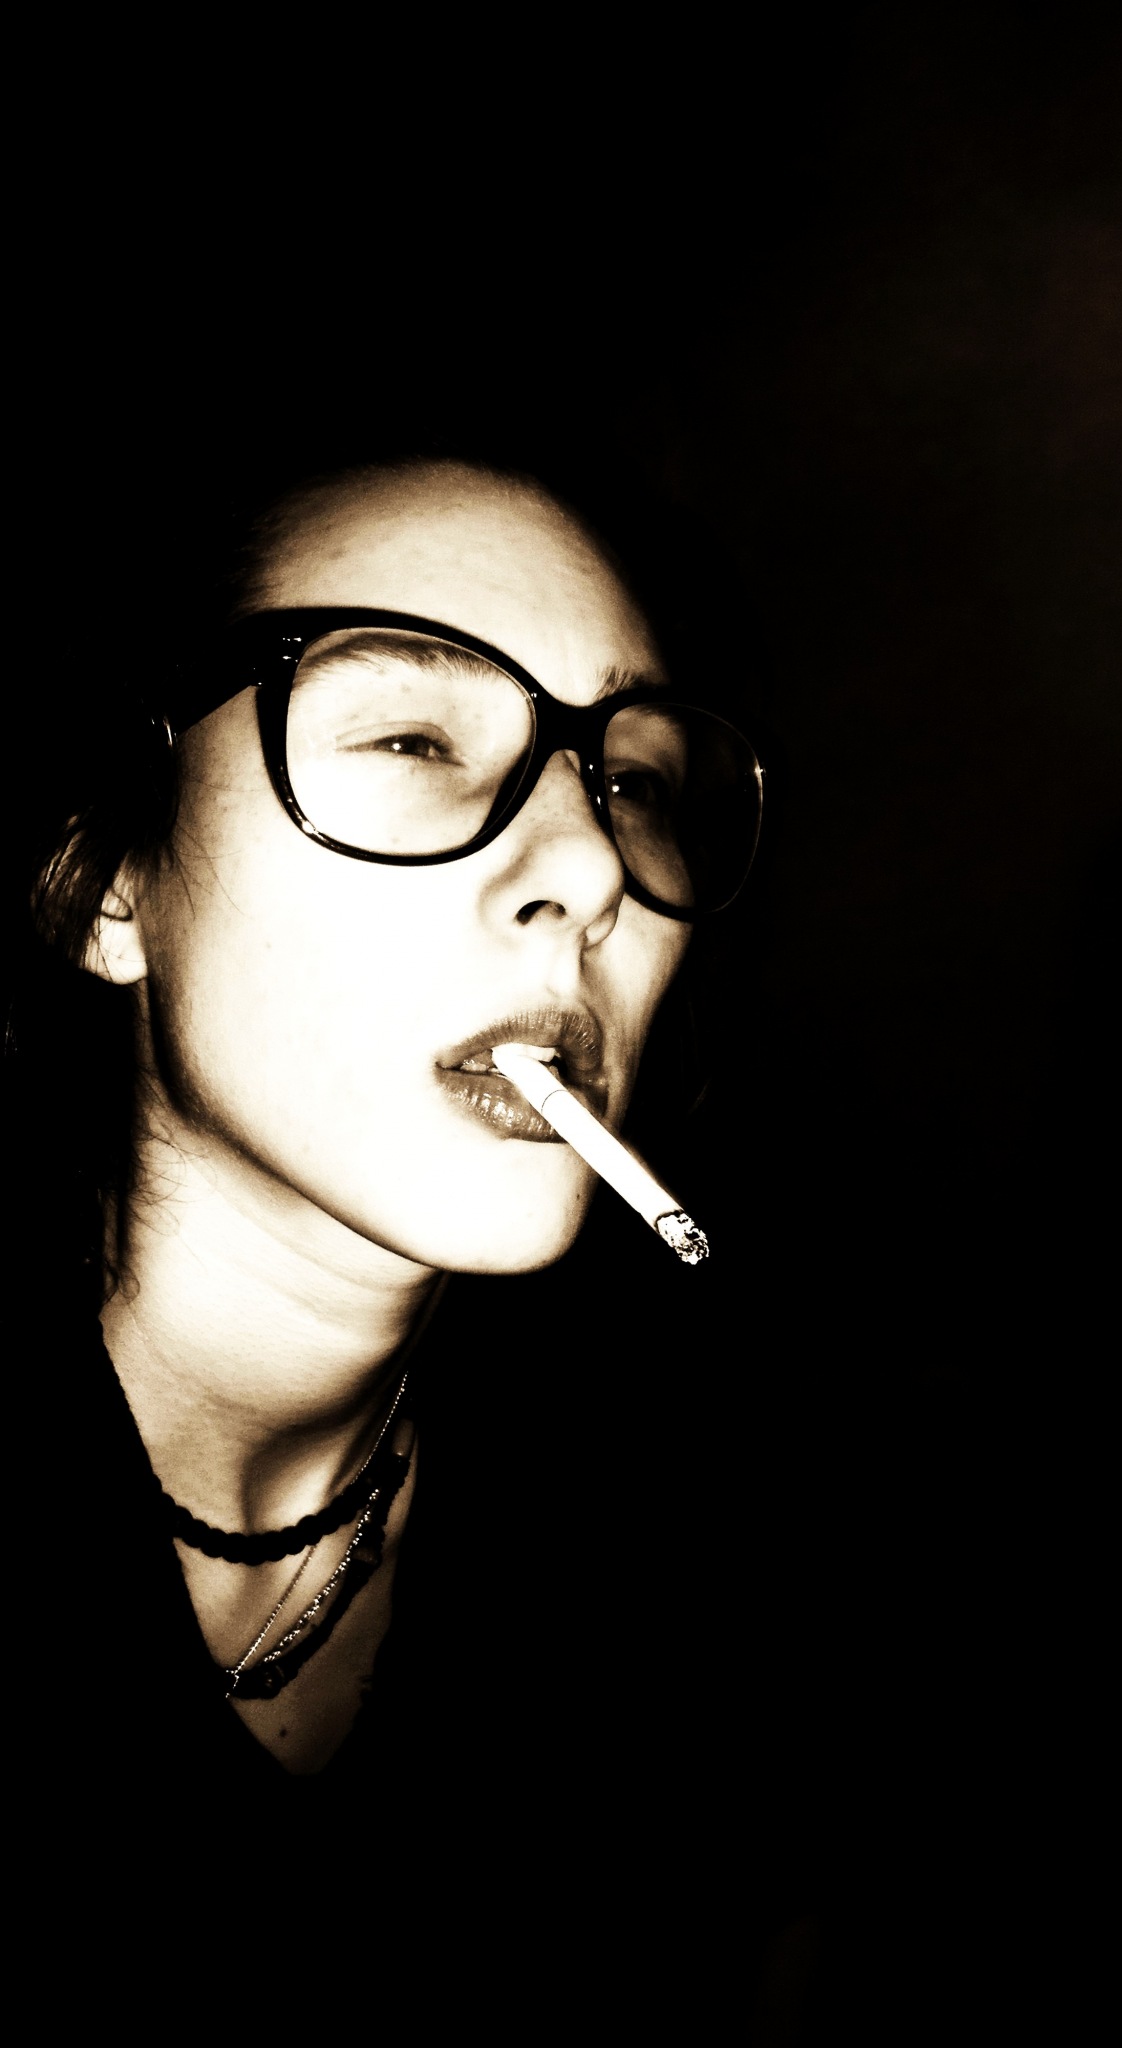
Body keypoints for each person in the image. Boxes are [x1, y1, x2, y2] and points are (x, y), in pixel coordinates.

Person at [10, 451, 767, 1969]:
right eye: (417, 738)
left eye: (631, 784)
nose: (589, 868)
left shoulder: (678, 1571)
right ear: (113, 887)